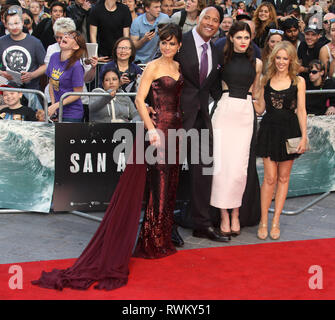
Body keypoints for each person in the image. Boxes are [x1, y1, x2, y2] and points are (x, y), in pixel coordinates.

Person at [32, 23, 184, 291]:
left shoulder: (179, 68)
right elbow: (139, 100)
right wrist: (150, 130)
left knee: (170, 185)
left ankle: (163, 239)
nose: (167, 47)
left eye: (172, 43)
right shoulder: (152, 66)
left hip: (177, 129)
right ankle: (151, 242)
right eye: (163, 42)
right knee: (158, 185)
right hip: (157, 130)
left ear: (179, 46)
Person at [175, 6, 230, 242]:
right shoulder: (180, 41)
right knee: (170, 174)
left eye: (215, 20)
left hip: (201, 121)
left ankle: (201, 224)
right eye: (207, 17)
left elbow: (213, 88)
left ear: (219, 25)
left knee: (203, 174)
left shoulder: (216, 51)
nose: (210, 23)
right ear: (197, 18)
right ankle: (165, 227)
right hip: (175, 119)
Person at [210, 21, 262, 237]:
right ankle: (223, 214)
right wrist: (220, 99)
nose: (242, 41)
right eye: (238, 37)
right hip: (224, 111)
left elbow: (257, 91)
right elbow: (211, 84)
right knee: (222, 166)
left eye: (246, 38)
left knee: (240, 167)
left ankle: (236, 214)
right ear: (230, 37)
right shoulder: (221, 58)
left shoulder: (257, 63)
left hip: (245, 113)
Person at [255, 41, 308, 240]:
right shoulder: (265, 79)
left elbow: (301, 110)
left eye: (285, 58)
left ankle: (276, 220)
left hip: (290, 131)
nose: (281, 62)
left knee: (283, 178)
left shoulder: (298, 81)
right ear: (273, 58)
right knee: (269, 178)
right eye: (278, 58)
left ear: (291, 60)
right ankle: (263, 221)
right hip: (269, 130)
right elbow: (260, 108)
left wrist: (304, 136)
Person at [0, 6, 46, 111]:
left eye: (17, 23)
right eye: (10, 24)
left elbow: (45, 65)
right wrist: (2, 73)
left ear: (22, 23)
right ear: (6, 25)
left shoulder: (35, 42)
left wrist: (32, 75)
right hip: (6, 92)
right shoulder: (1, 42)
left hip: (30, 92)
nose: (14, 27)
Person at [47, 30, 86, 122]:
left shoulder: (76, 66)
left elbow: (77, 93)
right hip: (57, 109)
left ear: (76, 46)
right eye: (66, 34)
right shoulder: (54, 57)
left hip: (72, 113)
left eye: (71, 37)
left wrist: (57, 105)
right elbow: (51, 83)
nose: (66, 37)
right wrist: (53, 105)